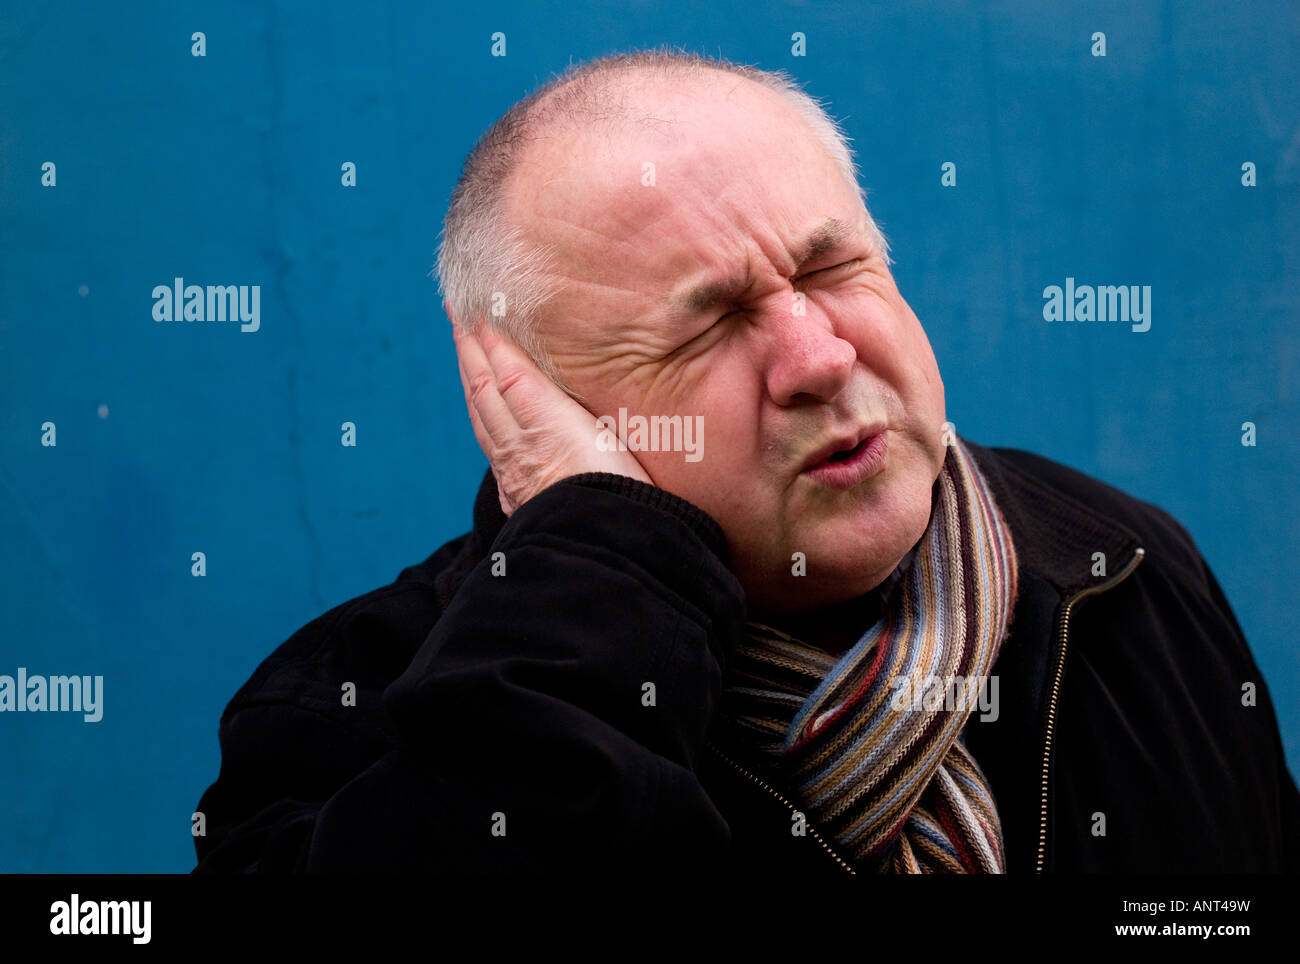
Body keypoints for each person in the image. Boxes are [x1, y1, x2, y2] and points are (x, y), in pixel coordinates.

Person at [192, 48, 1299, 874]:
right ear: (537, 407)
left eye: (832, 269)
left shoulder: (1124, 567)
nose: (817, 357)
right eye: (706, 327)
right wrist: (593, 575)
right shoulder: (339, 723)